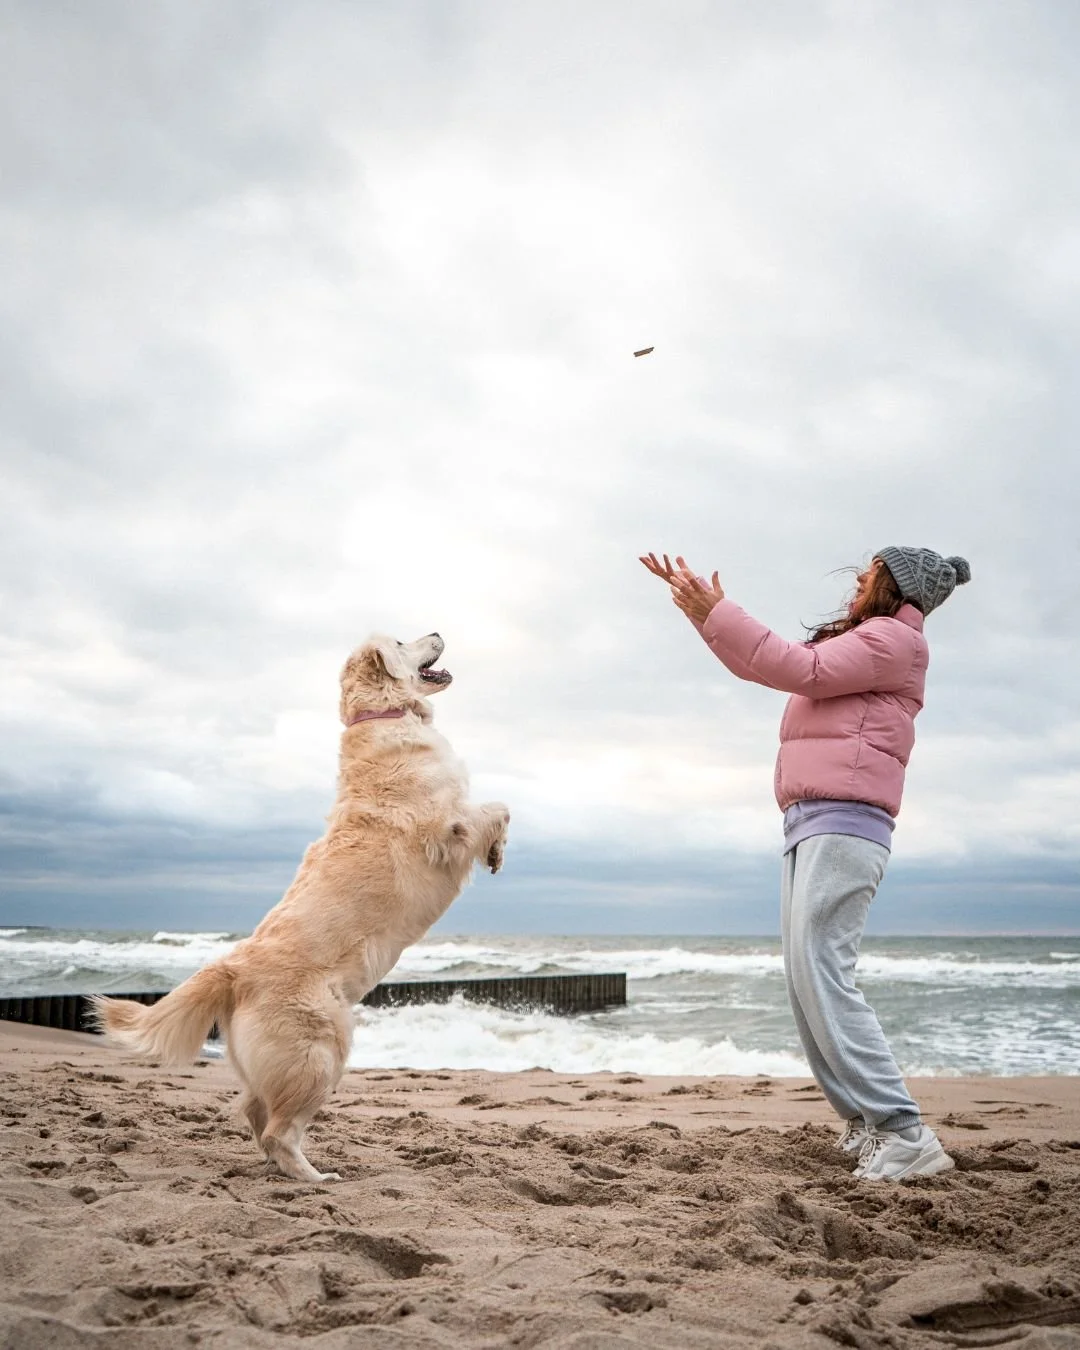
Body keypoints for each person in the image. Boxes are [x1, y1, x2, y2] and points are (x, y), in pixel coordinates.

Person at [640, 546, 971, 1182]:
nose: (855, 583)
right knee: (804, 978)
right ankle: (866, 1123)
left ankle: (904, 1132)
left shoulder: (893, 640)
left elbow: (799, 668)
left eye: (867, 575)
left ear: (894, 588)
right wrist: (703, 615)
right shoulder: (870, 640)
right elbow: (767, 669)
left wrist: (722, 610)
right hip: (812, 820)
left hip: (847, 822)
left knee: (824, 972)